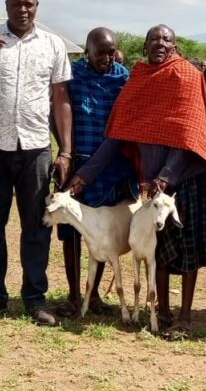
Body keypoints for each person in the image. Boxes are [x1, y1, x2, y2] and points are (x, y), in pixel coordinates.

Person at [67, 24, 206, 339]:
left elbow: (189, 138)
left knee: (188, 249)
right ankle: (164, 310)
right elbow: (114, 140)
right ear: (145, 45)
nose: (160, 43)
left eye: (166, 39)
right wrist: (82, 176)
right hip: (157, 184)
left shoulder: (185, 77)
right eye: (154, 39)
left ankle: (184, 317)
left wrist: (166, 177)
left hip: (186, 178)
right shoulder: (138, 80)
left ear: (175, 45)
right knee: (161, 249)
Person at [0, 0, 73, 326]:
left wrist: (66, 150)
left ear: (37, 5)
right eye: (16, 4)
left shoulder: (53, 45)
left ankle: (35, 298)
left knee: (36, 227)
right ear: (6, 4)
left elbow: (60, 99)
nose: (22, 10)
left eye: (29, 4)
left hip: (36, 148)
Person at [55, 28, 137, 319]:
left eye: (111, 51)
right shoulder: (71, 75)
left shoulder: (123, 78)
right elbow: (58, 111)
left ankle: (94, 294)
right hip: (75, 163)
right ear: (86, 51)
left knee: (101, 231)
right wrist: (64, 152)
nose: (106, 57)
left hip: (109, 167)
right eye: (100, 52)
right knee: (72, 233)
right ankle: (74, 295)